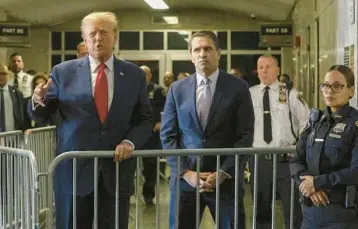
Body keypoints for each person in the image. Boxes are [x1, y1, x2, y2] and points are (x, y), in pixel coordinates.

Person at [28, 12, 152, 229]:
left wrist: (129, 143)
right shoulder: (62, 72)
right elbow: (42, 115)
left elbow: (144, 119)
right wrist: (38, 100)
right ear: (84, 39)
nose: (97, 38)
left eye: (103, 32)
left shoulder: (134, 75)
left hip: (116, 172)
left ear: (115, 36)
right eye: (92, 34)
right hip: (73, 173)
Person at [160, 30, 254, 229]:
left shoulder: (238, 87)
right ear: (191, 55)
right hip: (186, 182)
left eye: (208, 48)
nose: (202, 54)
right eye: (197, 49)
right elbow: (168, 135)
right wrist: (186, 172)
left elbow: (245, 135)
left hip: (225, 182)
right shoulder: (177, 89)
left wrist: (223, 172)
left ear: (218, 53)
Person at [290, 65, 358, 228]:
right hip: (309, 211)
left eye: (337, 86)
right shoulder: (315, 121)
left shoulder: (354, 125)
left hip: (341, 214)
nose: (329, 90)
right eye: (326, 85)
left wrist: (318, 182)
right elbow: (296, 160)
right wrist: (309, 186)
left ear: (351, 90)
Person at [249, 55, 308, 229]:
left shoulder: (290, 93)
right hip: (259, 160)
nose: (264, 70)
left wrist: (299, 149)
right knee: (261, 210)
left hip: (286, 161)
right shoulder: (249, 94)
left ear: (277, 69)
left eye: (268, 66)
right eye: (260, 67)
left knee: (292, 209)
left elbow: (306, 124)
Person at [140, 65, 166, 205]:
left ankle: (148, 195)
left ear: (150, 75)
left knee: (151, 166)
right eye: (140, 73)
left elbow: (167, 108)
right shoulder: (132, 89)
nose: (143, 76)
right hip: (134, 133)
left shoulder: (158, 90)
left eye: (145, 73)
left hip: (151, 133)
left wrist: (161, 122)